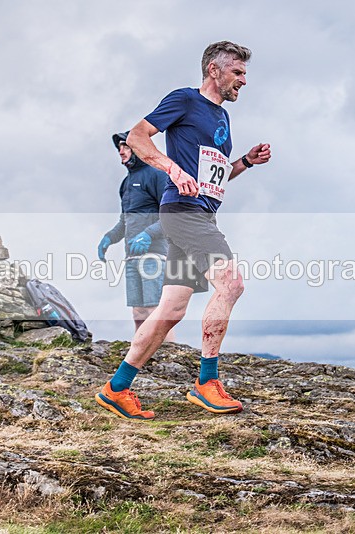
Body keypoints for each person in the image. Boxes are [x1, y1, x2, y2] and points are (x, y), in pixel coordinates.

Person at [95, 41, 271, 420]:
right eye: (238, 73)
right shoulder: (185, 100)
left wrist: (244, 162)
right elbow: (138, 135)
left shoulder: (222, 118)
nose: (244, 80)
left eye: (244, 74)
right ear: (214, 70)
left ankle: (117, 388)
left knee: (171, 309)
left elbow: (213, 177)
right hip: (184, 212)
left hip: (201, 213)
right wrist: (170, 169)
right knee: (232, 283)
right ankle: (207, 383)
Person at [98, 131, 175, 341]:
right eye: (119, 148)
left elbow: (171, 216)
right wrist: (109, 238)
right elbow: (125, 221)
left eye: (126, 146)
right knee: (138, 313)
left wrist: (148, 235)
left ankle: (171, 357)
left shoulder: (157, 175)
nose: (121, 151)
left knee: (154, 311)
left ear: (139, 148)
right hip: (131, 257)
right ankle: (141, 359)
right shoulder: (125, 183)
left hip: (155, 255)